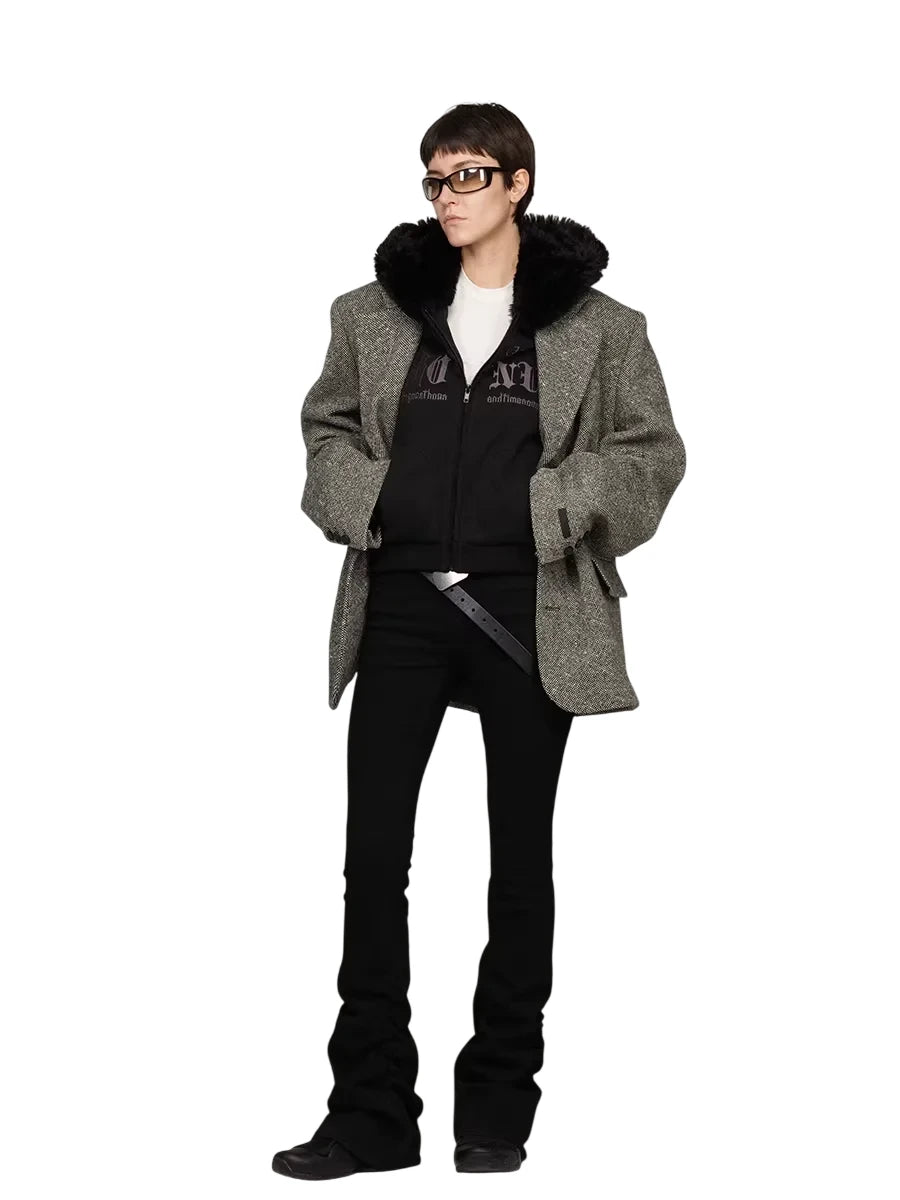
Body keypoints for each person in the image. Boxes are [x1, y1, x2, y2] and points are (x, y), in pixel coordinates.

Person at [273, 102, 686, 1181]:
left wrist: (549, 505)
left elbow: (652, 453)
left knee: (519, 863)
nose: (448, 195)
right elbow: (326, 432)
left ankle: (496, 1109)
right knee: (373, 863)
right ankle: (370, 1114)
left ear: (518, 183)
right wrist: (375, 500)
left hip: (529, 610)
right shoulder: (371, 316)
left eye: (467, 175)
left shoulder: (602, 327)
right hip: (402, 605)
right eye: (434, 178)